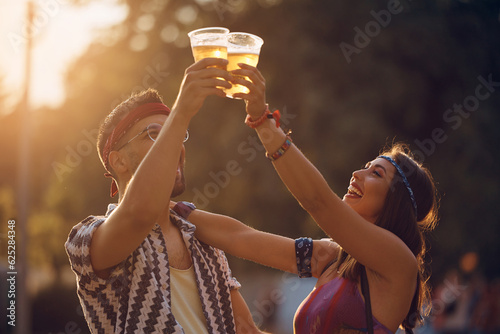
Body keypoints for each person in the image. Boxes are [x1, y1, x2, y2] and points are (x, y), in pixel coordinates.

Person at [183, 64, 439, 333]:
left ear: (395, 202)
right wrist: (174, 211)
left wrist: (262, 120)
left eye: (376, 173)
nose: (357, 173)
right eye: (365, 165)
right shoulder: (332, 257)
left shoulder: (399, 262)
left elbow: (318, 201)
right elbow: (241, 237)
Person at [64, 58, 267, 334]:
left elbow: (247, 330)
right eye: (155, 135)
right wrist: (181, 112)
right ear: (119, 162)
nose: (173, 146)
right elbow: (139, 214)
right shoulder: (86, 240)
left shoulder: (204, 244)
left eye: (176, 135)